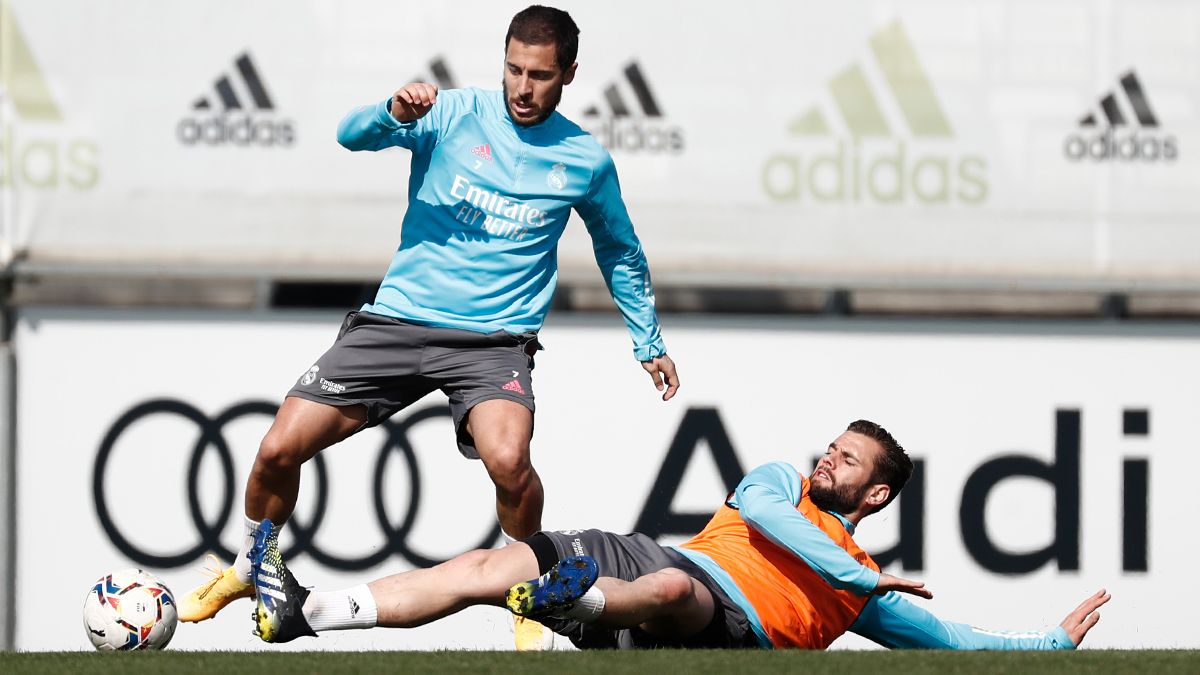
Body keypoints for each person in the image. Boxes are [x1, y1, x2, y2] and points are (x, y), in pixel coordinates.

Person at [178, 4, 679, 648]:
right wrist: (392, 113)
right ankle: (254, 564)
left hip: (494, 342)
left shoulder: (583, 159)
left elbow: (619, 248)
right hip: (398, 323)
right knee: (278, 448)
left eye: (541, 76)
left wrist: (649, 340)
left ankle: (527, 591)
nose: (524, 88)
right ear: (502, 60)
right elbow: (348, 135)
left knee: (510, 462)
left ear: (570, 75)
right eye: (514, 69)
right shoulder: (447, 114)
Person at [245, 419, 1111, 649]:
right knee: (483, 563)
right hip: (655, 550)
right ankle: (312, 611)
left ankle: (577, 599)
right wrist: (854, 576)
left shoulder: (860, 589)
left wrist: (1051, 642)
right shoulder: (779, 483)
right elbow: (770, 518)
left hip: (719, 622)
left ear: (876, 491)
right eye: (833, 445)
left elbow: (948, 638)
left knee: (670, 596)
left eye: (847, 461)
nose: (828, 458)